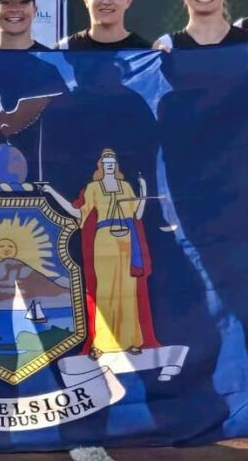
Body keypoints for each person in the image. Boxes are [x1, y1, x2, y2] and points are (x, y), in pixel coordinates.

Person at [42, 149, 159, 359]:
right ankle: (102, 343)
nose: (109, 166)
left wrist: (143, 189)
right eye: (106, 163)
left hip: (125, 239)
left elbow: (137, 214)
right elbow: (78, 212)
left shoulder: (125, 187)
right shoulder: (93, 188)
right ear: (100, 166)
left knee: (128, 291)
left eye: (112, 162)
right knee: (105, 291)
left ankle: (131, 341)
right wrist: (51, 192)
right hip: (104, 240)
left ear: (116, 165)